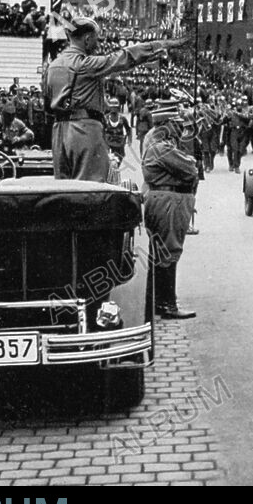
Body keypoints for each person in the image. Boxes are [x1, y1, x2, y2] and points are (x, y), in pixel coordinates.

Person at [43, 17, 188, 182]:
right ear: (87, 39)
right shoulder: (85, 63)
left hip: (59, 133)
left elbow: (47, 106)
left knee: (63, 189)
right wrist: (159, 45)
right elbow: (125, 57)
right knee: (91, 187)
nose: (98, 44)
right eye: (96, 39)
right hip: (84, 130)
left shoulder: (52, 66)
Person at [142, 107, 198, 320]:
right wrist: (189, 162)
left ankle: (159, 301)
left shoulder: (159, 146)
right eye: (176, 124)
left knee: (162, 253)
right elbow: (190, 169)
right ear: (165, 125)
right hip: (167, 201)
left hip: (164, 199)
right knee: (168, 252)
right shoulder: (162, 148)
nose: (180, 128)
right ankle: (167, 304)